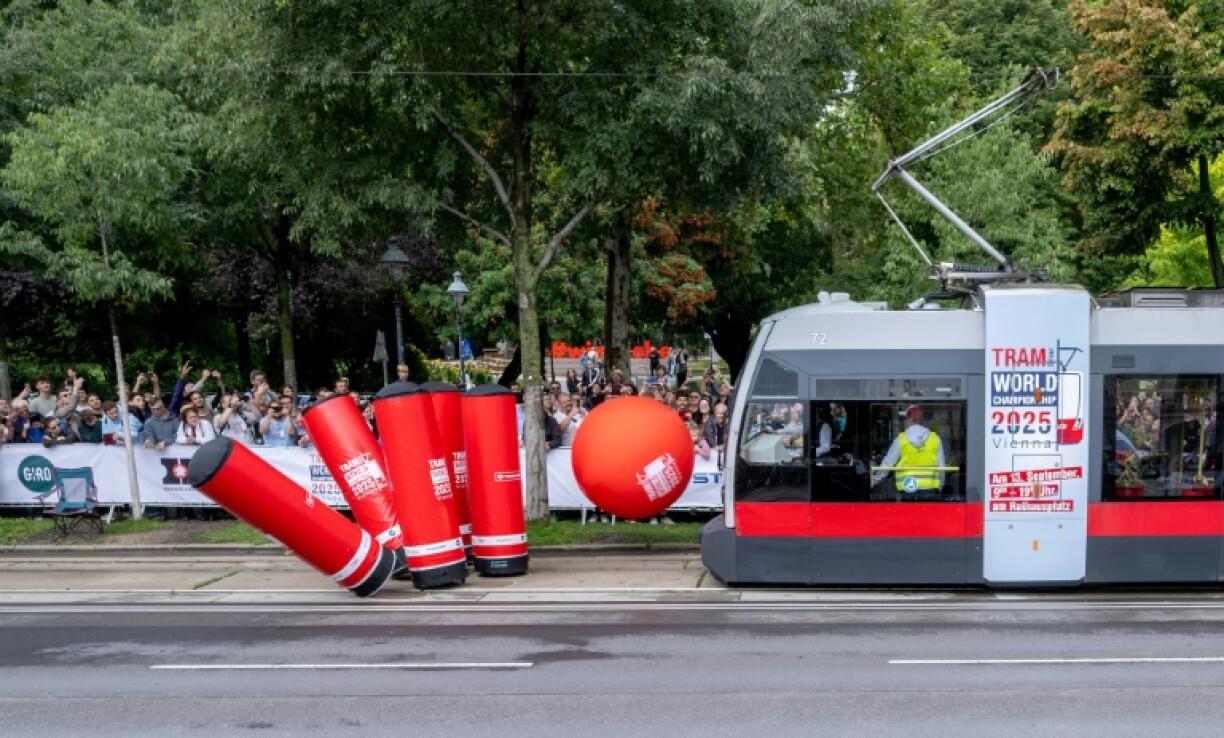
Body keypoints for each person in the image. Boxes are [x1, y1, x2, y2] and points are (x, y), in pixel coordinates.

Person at [873, 405, 946, 496]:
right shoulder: (935, 439)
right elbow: (941, 466)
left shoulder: (901, 439)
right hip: (929, 489)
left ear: (911, 419)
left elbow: (888, 463)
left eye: (904, 419)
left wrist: (874, 480)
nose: (903, 422)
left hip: (907, 487)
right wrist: (941, 485)